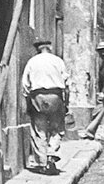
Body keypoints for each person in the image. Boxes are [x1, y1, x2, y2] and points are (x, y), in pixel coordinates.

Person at [21, 37, 70, 175]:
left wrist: (28, 102)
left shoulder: (32, 62)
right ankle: (51, 155)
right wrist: (66, 103)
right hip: (55, 96)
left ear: (37, 49)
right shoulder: (58, 61)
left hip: (37, 96)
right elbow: (66, 83)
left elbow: (25, 85)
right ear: (50, 47)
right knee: (57, 128)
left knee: (39, 129)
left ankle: (42, 163)